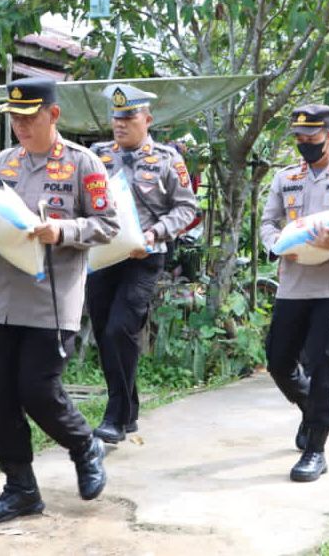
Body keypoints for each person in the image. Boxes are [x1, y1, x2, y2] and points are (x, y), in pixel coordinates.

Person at [0, 77, 119, 523]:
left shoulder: (84, 164)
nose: (21, 127)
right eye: (14, 118)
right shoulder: (3, 163)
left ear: (53, 115)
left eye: (29, 118)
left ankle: (84, 445)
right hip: (1, 297)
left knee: (37, 388)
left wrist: (63, 231)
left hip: (52, 300)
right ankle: (21, 488)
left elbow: (107, 225)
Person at [260, 104, 329, 482]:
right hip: (293, 285)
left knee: (325, 368)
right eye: (299, 138)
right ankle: (313, 412)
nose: (304, 144)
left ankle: (316, 449)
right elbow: (267, 221)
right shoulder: (286, 177)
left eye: (311, 137)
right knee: (279, 362)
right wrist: (276, 243)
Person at [86, 84, 198, 444]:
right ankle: (129, 408)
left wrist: (156, 233)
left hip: (144, 257)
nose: (120, 124)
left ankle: (115, 415)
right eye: (116, 118)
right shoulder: (96, 155)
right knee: (105, 331)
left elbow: (187, 207)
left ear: (147, 120)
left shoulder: (167, 160)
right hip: (103, 255)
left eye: (129, 117)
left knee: (122, 328)